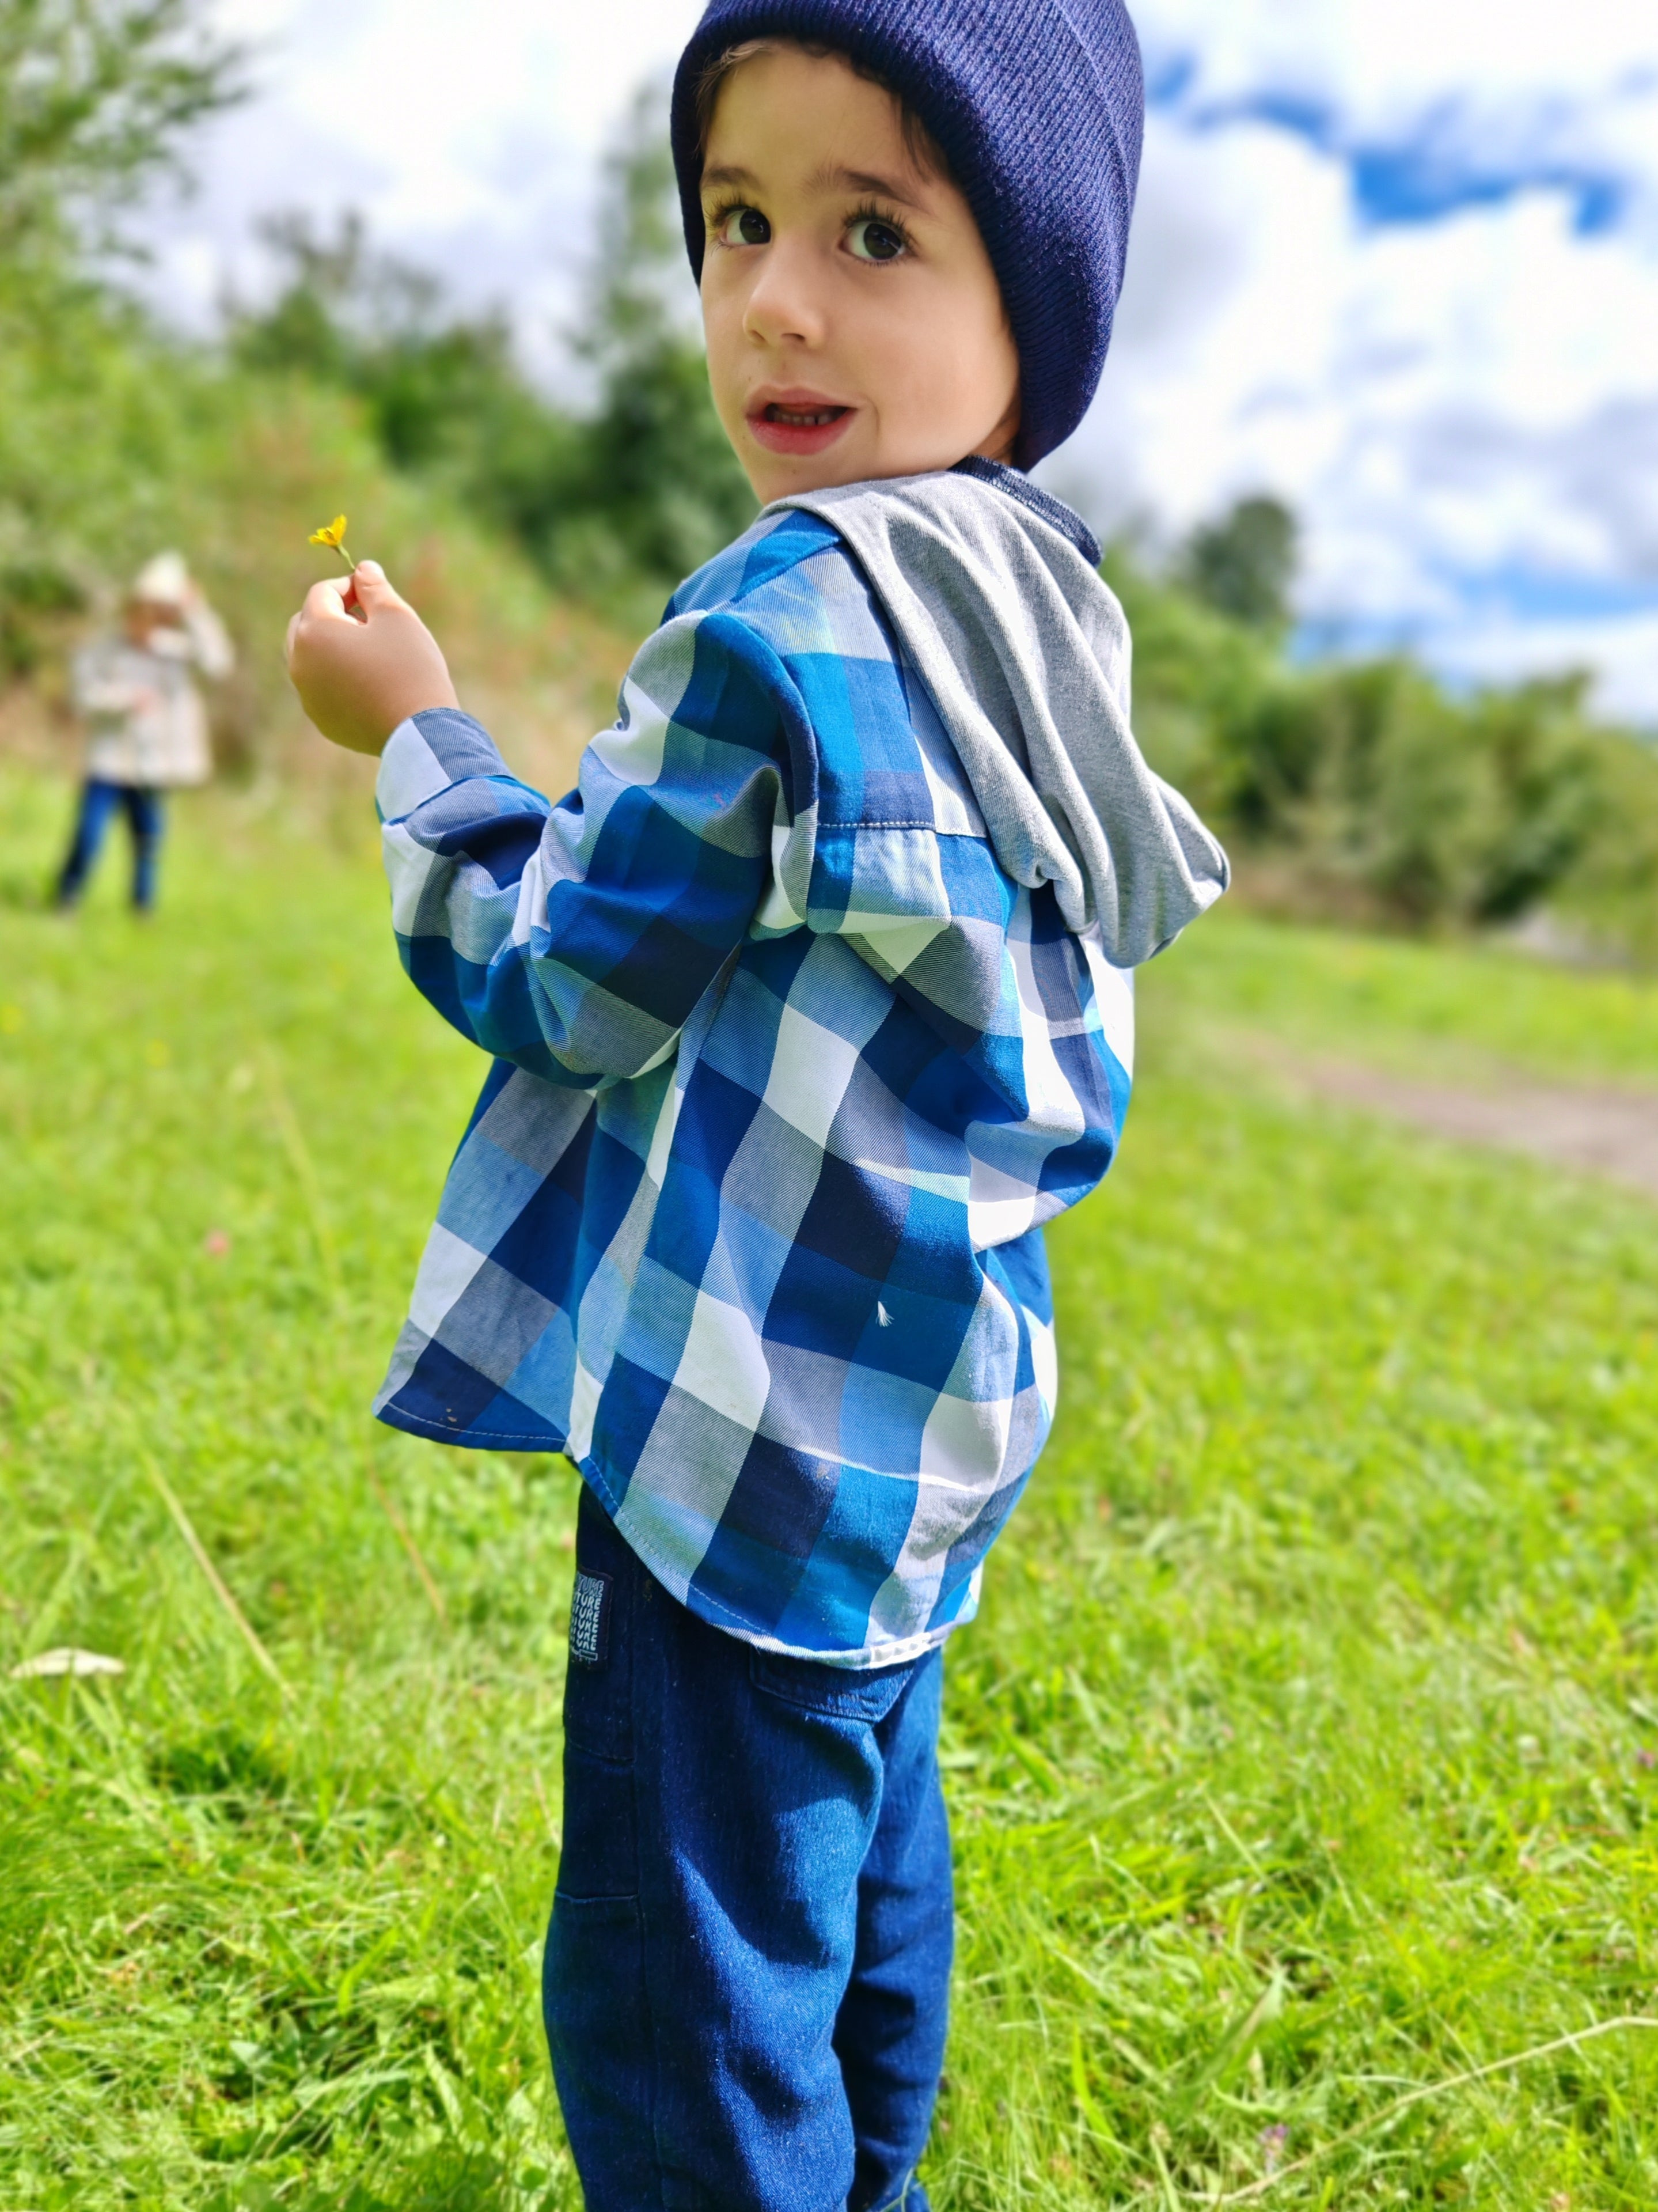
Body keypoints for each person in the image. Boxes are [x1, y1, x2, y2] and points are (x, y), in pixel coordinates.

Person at [285, 2, 1227, 2203]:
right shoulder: (1043, 617)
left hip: (735, 1444)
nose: (776, 301)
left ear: (1038, 307)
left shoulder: (782, 619)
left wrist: (416, 739)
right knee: (859, 1886)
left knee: (681, 1998)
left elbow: (560, 990)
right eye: (734, 220)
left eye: (875, 232)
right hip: (928, 1425)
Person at [55, 552, 233, 913]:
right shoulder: (102, 649)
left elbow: (218, 664)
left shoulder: (175, 651)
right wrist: (123, 701)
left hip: (154, 765)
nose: (149, 619)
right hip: (108, 762)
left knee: (148, 841)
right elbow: (82, 696)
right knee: (88, 836)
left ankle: (142, 910)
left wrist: (195, 611)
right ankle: (68, 897)